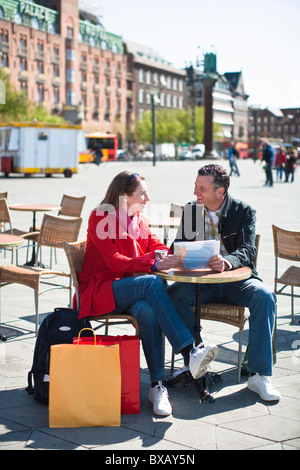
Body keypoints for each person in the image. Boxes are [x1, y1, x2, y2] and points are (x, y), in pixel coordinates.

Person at [76, 171, 218, 416]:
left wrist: (169, 255)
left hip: (130, 292)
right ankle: (189, 351)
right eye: (142, 193)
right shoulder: (100, 217)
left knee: (148, 310)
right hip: (101, 292)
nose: (147, 198)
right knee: (152, 283)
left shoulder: (139, 219)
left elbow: (156, 245)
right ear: (123, 196)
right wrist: (152, 265)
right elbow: (114, 262)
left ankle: (157, 385)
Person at [167, 164, 281, 402]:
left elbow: (248, 250)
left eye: (202, 188)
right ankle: (195, 357)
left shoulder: (243, 211)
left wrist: (227, 262)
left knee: (265, 296)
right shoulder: (191, 210)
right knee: (172, 295)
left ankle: (259, 374)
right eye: (195, 186)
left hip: (235, 281)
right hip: (201, 283)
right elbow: (176, 247)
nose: (195, 192)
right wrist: (175, 255)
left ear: (220, 192)